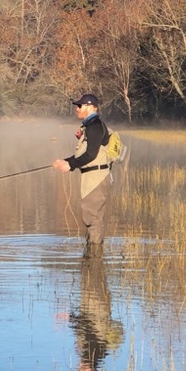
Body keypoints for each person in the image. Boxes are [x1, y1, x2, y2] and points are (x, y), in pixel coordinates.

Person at [52, 93, 112, 254]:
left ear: (91, 107)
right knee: (91, 217)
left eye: (80, 106)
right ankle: (92, 257)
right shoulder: (90, 126)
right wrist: (65, 161)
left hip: (96, 178)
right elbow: (84, 154)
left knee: (93, 218)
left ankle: (94, 258)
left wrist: (70, 164)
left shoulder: (95, 126)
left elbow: (91, 155)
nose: (77, 109)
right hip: (92, 176)